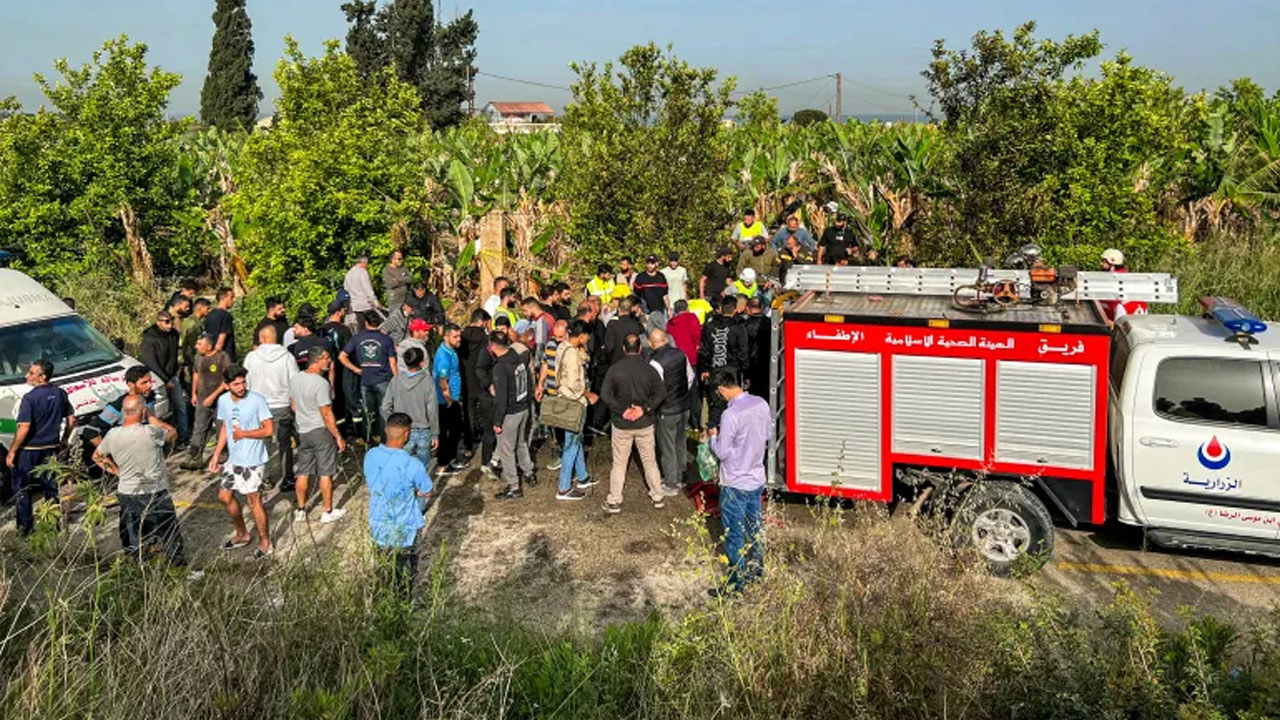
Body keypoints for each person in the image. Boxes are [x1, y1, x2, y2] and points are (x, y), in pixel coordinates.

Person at [92, 394, 192, 571]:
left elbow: (97, 457)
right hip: (154, 490)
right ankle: (177, 568)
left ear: (123, 412)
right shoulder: (151, 432)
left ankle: (136, 568)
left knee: (133, 533)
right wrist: (153, 419)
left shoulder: (112, 434)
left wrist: (116, 471)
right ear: (143, 411)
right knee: (168, 532)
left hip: (127, 491)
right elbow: (172, 433)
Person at [706, 368, 769, 596]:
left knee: (734, 535)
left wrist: (714, 436)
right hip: (756, 478)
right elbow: (767, 435)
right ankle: (756, 573)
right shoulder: (761, 403)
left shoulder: (730, 415)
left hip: (735, 483)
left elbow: (722, 452)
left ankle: (734, 585)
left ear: (721, 390)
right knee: (755, 529)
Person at [364, 412, 434, 598]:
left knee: (383, 573)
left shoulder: (371, 455)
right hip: (405, 532)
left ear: (387, 430)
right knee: (404, 579)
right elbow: (427, 490)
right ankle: (402, 615)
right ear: (407, 434)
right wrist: (414, 491)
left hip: (378, 527)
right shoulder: (413, 464)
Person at [208, 366, 275, 558]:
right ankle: (242, 533)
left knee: (254, 501)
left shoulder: (257, 401)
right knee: (224, 496)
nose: (241, 386)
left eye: (243, 382)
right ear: (227, 385)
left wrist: (245, 433)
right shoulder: (223, 401)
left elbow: (269, 430)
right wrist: (216, 455)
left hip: (253, 460)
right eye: (236, 384)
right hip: (233, 459)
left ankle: (265, 541)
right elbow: (225, 429)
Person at [6, 360, 75, 535]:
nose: (27, 376)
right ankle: (53, 525)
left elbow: (24, 427)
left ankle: (25, 529)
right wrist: (64, 440)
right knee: (51, 487)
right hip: (51, 447)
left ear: (42, 376)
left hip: (29, 450)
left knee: (23, 489)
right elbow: (71, 420)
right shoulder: (60, 393)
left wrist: (13, 450)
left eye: (31, 373)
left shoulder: (30, 399)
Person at [600, 334, 667, 514]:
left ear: (623, 348)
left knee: (619, 463)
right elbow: (660, 393)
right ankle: (657, 496)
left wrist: (622, 410)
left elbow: (605, 395)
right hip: (644, 423)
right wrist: (644, 409)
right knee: (649, 461)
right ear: (640, 348)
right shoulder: (649, 369)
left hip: (622, 424)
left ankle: (614, 500)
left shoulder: (614, 370)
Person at [289, 346, 347, 524]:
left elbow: (293, 405)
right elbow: (326, 413)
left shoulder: (296, 379)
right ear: (317, 360)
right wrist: (338, 436)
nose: (329, 362)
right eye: (327, 358)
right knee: (325, 472)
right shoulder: (321, 383)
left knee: (303, 470)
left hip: (303, 430)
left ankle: (300, 509)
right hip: (320, 431)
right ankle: (327, 511)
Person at [243, 325, 298, 489]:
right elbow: (294, 382)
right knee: (285, 443)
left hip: (258, 406)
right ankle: (287, 477)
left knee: (262, 443)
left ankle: (264, 478)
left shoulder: (251, 357)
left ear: (262, 338)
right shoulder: (287, 357)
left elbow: (245, 382)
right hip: (281, 404)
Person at [553, 320, 599, 500]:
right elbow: (574, 383)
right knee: (571, 444)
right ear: (581, 336)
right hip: (574, 402)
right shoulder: (572, 355)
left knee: (576, 439)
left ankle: (582, 476)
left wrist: (583, 349)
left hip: (564, 399)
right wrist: (588, 394)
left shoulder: (563, 347)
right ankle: (563, 487)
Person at [339, 310, 398, 444]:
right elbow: (393, 363)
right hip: (384, 380)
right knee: (384, 411)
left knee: (367, 412)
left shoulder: (357, 338)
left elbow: (342, 356)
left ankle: (368, 440)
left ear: (366, 323)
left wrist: (355, 369)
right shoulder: (386, 339)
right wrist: (397, 380)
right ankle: (384, 439)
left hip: (365, 380)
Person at [648, 329, 693, 495]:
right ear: (666, 339)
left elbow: (656, 389)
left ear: (651, 343)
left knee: (667, 447)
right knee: (681, 442)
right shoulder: (680, 354)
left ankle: (670, 482)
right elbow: (690, 376)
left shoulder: (655, 362)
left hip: (667, 409)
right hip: (683, 405)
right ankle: (680, 476)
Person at [381, 345, 439, 474]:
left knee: (402, 468)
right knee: (422, 469)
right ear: (422, 363)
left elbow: (385, 407)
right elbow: (432, 410)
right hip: (423, 430)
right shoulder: (428, 381)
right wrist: (435, 433)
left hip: (401, 430)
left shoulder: (396, 380)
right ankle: (420, 492)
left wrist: (394, 424)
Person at [489, 331, 534, 500]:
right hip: (523, 408)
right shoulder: (517, 357)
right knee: (521, 442)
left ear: (493, 346)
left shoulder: (500, 367)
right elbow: (528, 381)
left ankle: (513, 486)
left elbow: (501, 398)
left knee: (506, 449)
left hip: (510, 412)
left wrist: (497, 421)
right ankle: (529, 472)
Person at [139, 310, 190, 449]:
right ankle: (157, 442)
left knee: (181, 407)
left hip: (172, 376)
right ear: (158, 322)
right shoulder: (150, 339)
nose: (170, 324)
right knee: (156, 412)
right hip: (156, 379)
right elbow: (150, 362)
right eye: (166, 321)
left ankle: (182, 438)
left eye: (171, 321)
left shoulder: (173, 335)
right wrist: (164, 380)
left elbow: (174, 356)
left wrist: (174, 373)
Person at [699, 296, 750, 429]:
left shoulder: (710, 326)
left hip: (715, 370)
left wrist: (704, 368)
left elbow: (704, 350)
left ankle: (713, 434)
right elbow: (743, 353)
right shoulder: (738, 328)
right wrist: (746, 371)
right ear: (734, 310)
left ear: (721, 309)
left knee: (716, 405)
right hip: (732, 371)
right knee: (733, 405)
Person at [181, 333, 230, 470]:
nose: (196, 347)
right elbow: (195, 374)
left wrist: (213, 397)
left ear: (209, 346)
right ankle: (195, 456)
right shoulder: (198, 358)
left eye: (199, 344)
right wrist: (194, 393)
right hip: (203, 398)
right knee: (199, 428)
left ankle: (223, 453)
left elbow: (227, 380)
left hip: (220, 398)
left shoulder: (222, 357)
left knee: (222, 427)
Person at [433, 324, 467, 476]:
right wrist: (449, 400)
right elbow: (442, 380)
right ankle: (443, 463)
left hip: (452, 398)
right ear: (446, 336)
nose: (458, 339)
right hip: (445, 401)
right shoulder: (443, 356)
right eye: (455, 337)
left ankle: (450, 459)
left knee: (454, 430)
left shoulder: (451, 351)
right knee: (448, 432)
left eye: (459, 336)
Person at [321, 299, 358, 437]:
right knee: (345, 400)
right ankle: (352, 431)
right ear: (338, 312)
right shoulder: (344, 330)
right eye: (343, 311)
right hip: (343, 370)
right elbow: (349, 351)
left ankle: (337, 431)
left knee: (333, 401)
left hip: (326, 369)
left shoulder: (322, 330)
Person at [459, 309, 490, 459]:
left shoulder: (461, 337)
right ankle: (488, 441)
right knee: (485, 413)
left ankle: (468, 446)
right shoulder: (485, 338)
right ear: (482, 321)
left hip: (466, 380)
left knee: (468, 414)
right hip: (481, 379)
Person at [1099, 248, 1148, 322]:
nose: (1101, 264)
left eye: (1104, 262)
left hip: (1125, 322)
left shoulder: (1112, 284)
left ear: (1112, 266)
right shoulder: (1127, 280)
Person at [344, 254, 383, 330]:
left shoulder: (349, 273)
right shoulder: (362, 272)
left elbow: (346, 289)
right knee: (371, 324)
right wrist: (375, 301)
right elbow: (367, 289)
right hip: (365, 304)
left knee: (360, 326)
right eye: (366, 264)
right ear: (363, 262)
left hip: (355, 305)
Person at [742, 297, 771, 398]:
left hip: (752, 364)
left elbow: (743, 348)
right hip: (768, 363)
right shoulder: (770, 323)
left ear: (748, 308)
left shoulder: (745, 325)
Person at [179, 297, 211, 388]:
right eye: (207, 308)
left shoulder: (197, 322)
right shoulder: (193, 324)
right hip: (189, 360)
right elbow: (189, 345)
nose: (209, 311)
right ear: (200, 308)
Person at [633, 255, 671, 330]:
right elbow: (636, 296)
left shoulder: (661, 277)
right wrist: (639, 309)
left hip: (660, 311)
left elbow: (665, 295)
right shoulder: (640, 277)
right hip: (646, 312)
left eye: (652, 263)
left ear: (657, 264)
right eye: (648, 263)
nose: (650, 265)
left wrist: (668, 309)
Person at [204, 287, 238, 361]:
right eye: (231, 298)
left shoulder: (209, 315)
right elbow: (221, 339)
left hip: (210, 352)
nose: (233, 301)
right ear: (224, 298)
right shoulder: (225, 316)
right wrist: (216, 356)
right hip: (224, 357)